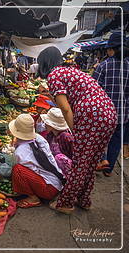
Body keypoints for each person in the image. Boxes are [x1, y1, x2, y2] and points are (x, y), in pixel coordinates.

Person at [37, 46, 117, 214]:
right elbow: (69, 97)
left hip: (92, 116)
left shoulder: (54, 75)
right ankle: (84, 199)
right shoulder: (69, 71)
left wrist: (75, 131)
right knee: (90, 162)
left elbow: (65, 109)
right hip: (108, 113)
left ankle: (66, 203)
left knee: (80, 163)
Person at [93, 32, 129, 176]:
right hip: (123, 113)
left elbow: (93, 90)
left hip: (104, 112)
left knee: (99, 138)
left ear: (111, 50)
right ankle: (109, 170)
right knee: (115, 141)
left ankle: (102, 159)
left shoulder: (103, 66)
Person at [10, 114, 64, 208]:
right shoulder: (39, 138)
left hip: (49, 189)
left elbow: (30, 171)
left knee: (17, 170)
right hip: (58, 181)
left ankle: (33, 198)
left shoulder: (20, 152)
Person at [41, 108, 73, 177]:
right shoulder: (51, 134)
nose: (44, 124)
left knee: (59, 157)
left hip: (66, 172)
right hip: (54, 167)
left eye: (46, 122)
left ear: (52, 125)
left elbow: (74, 156)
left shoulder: (66, 137)